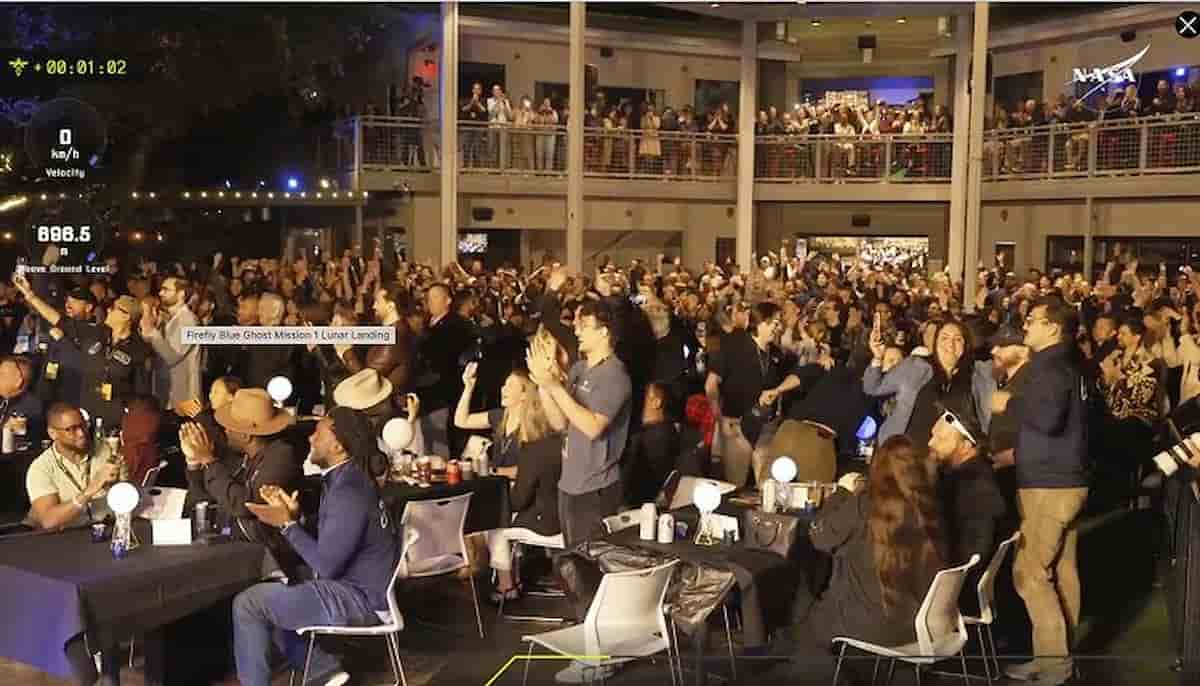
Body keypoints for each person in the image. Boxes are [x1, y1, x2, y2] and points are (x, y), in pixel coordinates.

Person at [235, 407, 399, 686]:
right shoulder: (348, 479)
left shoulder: (348, 490)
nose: (310, 438)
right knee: (276, 586)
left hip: (357, 599)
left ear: (337, 445)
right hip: (358, 591)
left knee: (248, 604)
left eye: (318, 432)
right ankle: (323, 670)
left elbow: (327, 565)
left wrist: (288, 525)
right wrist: (295, 516)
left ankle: (320, 668)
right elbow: (337, 539)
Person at [777, 435, 946, 684]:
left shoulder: (864, 505)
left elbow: (819, 536)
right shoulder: (930, 508)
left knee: (803, 614)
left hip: (866, 627)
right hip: (919, 629)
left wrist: (841, 493)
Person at [998, 297, 1089, 686]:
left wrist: (1010, 403)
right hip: (1068, 480)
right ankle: (1053, 658)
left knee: (1030, 574)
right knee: (1062, 572)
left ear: (1053, 327)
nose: (1026, 328)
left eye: (1032, 321)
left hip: (1049, 486)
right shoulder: (1073, 364)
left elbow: (1048, 420)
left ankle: (1055, 668)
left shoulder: (1049, 367)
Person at [453, 362, 563, 602]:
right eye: (504, 384)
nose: (503, 388)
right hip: (499, 487)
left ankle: (505, 583)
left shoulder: (534, 424)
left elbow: (530, 469)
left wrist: (495, 470)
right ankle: (485, 567)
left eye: (510, 385)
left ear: (524, 394)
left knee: (494, 518)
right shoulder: (499, 416)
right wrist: (468, 387)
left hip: (524, 492)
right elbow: (461, 420)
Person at [527, 299, 631, 547]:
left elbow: (593, 427)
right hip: (570, 482)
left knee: (590, 563)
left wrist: (554, 386)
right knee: (572, 561)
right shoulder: (579, 369)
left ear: (604, 331)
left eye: (583, 325)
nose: (576, 331)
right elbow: (560, 422)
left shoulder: (614, 374)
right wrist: (544, 383)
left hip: (596, 486)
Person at [180, 388, 301, 568]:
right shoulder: (243, 455)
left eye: (229, 427)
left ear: (246, 435)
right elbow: (206, 498)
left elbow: (244, 505)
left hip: (267, 559)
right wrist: (194, 462)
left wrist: (208, 460)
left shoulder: (281, 456)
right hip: (232, 545)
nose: (225, 431)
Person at [927, 408, 1005, 614]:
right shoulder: (969, 475)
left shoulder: (971, 485)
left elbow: (974, 549)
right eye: (932, 436)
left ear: (966, 446)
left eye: (940, 438)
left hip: (956, 589)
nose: (930, 443)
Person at [705, 302, 784, 487]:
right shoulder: (733, 346)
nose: (778, 328)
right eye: (775, 323)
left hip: (765, 427)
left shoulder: (776, 354)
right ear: (762, 322)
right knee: (735, 485)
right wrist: (720, 419)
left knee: (767, 488)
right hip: (736, 426)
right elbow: (710, 385)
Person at [25, 402, 125, 530]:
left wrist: (116, 487)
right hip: (67, 539)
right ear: (52, 433)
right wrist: (91, 489)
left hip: (106, 529)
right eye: (71, 429)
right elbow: (49, 520)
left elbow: (127, 495)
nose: (81, 433)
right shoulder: (41, 468)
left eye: (83, 425)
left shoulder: (107, 451)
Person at [141, 276, 202, 412]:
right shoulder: (167, 318)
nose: (160, 293)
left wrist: (153, 332)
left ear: (181, 294)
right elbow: (147, 337)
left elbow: (172, 356)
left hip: (183, 398)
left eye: (166, 290)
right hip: (166, 394)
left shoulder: (189, 321)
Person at [622, 382, 681, 506]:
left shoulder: (651, 438)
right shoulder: (669, 431)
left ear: (657, 403)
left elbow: (638, 482)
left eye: (645, 396)